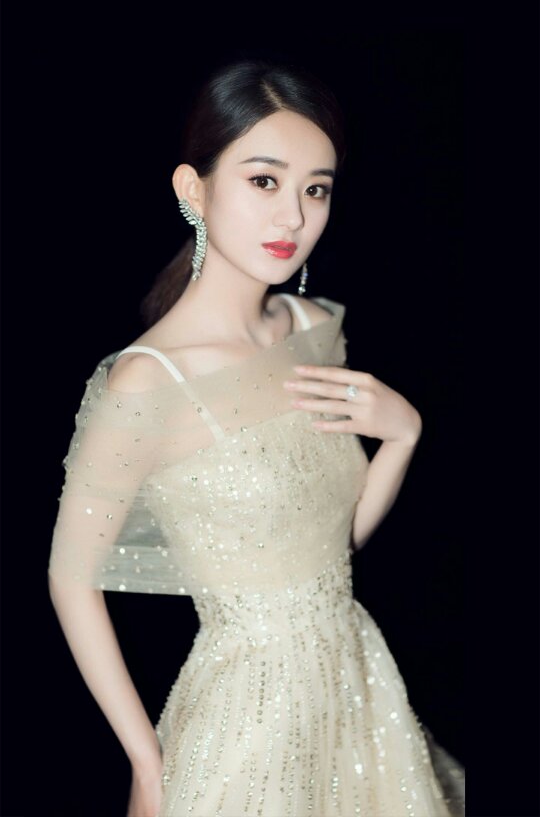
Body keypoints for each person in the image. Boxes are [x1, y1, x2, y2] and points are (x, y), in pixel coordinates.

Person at [48, 58, 465, 817]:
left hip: (356, 687)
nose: (293, 218)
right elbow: (70, 578)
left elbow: (331, 548)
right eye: (265, 181)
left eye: (316, 189)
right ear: (193, 189)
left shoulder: (313, 326)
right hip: (248, 718)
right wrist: (146, 761)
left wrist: (404, 437)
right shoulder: (147, 381)